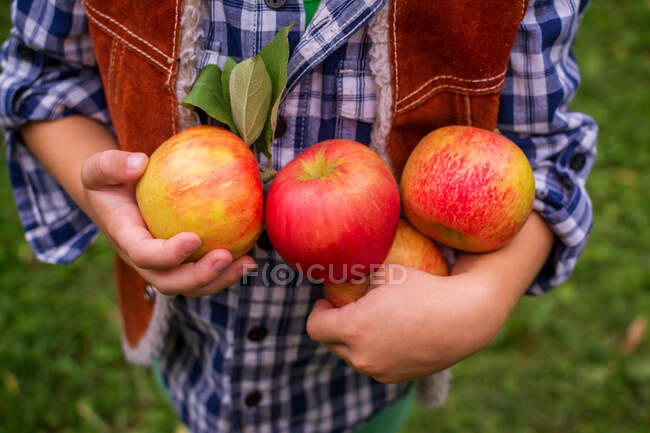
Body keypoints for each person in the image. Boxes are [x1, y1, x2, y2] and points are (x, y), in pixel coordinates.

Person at [0, 0, 596, 432]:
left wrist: (481, 302)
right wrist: (117, 211)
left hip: (362, 389)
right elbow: (42, 74)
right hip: (197, 353)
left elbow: (543, 157)